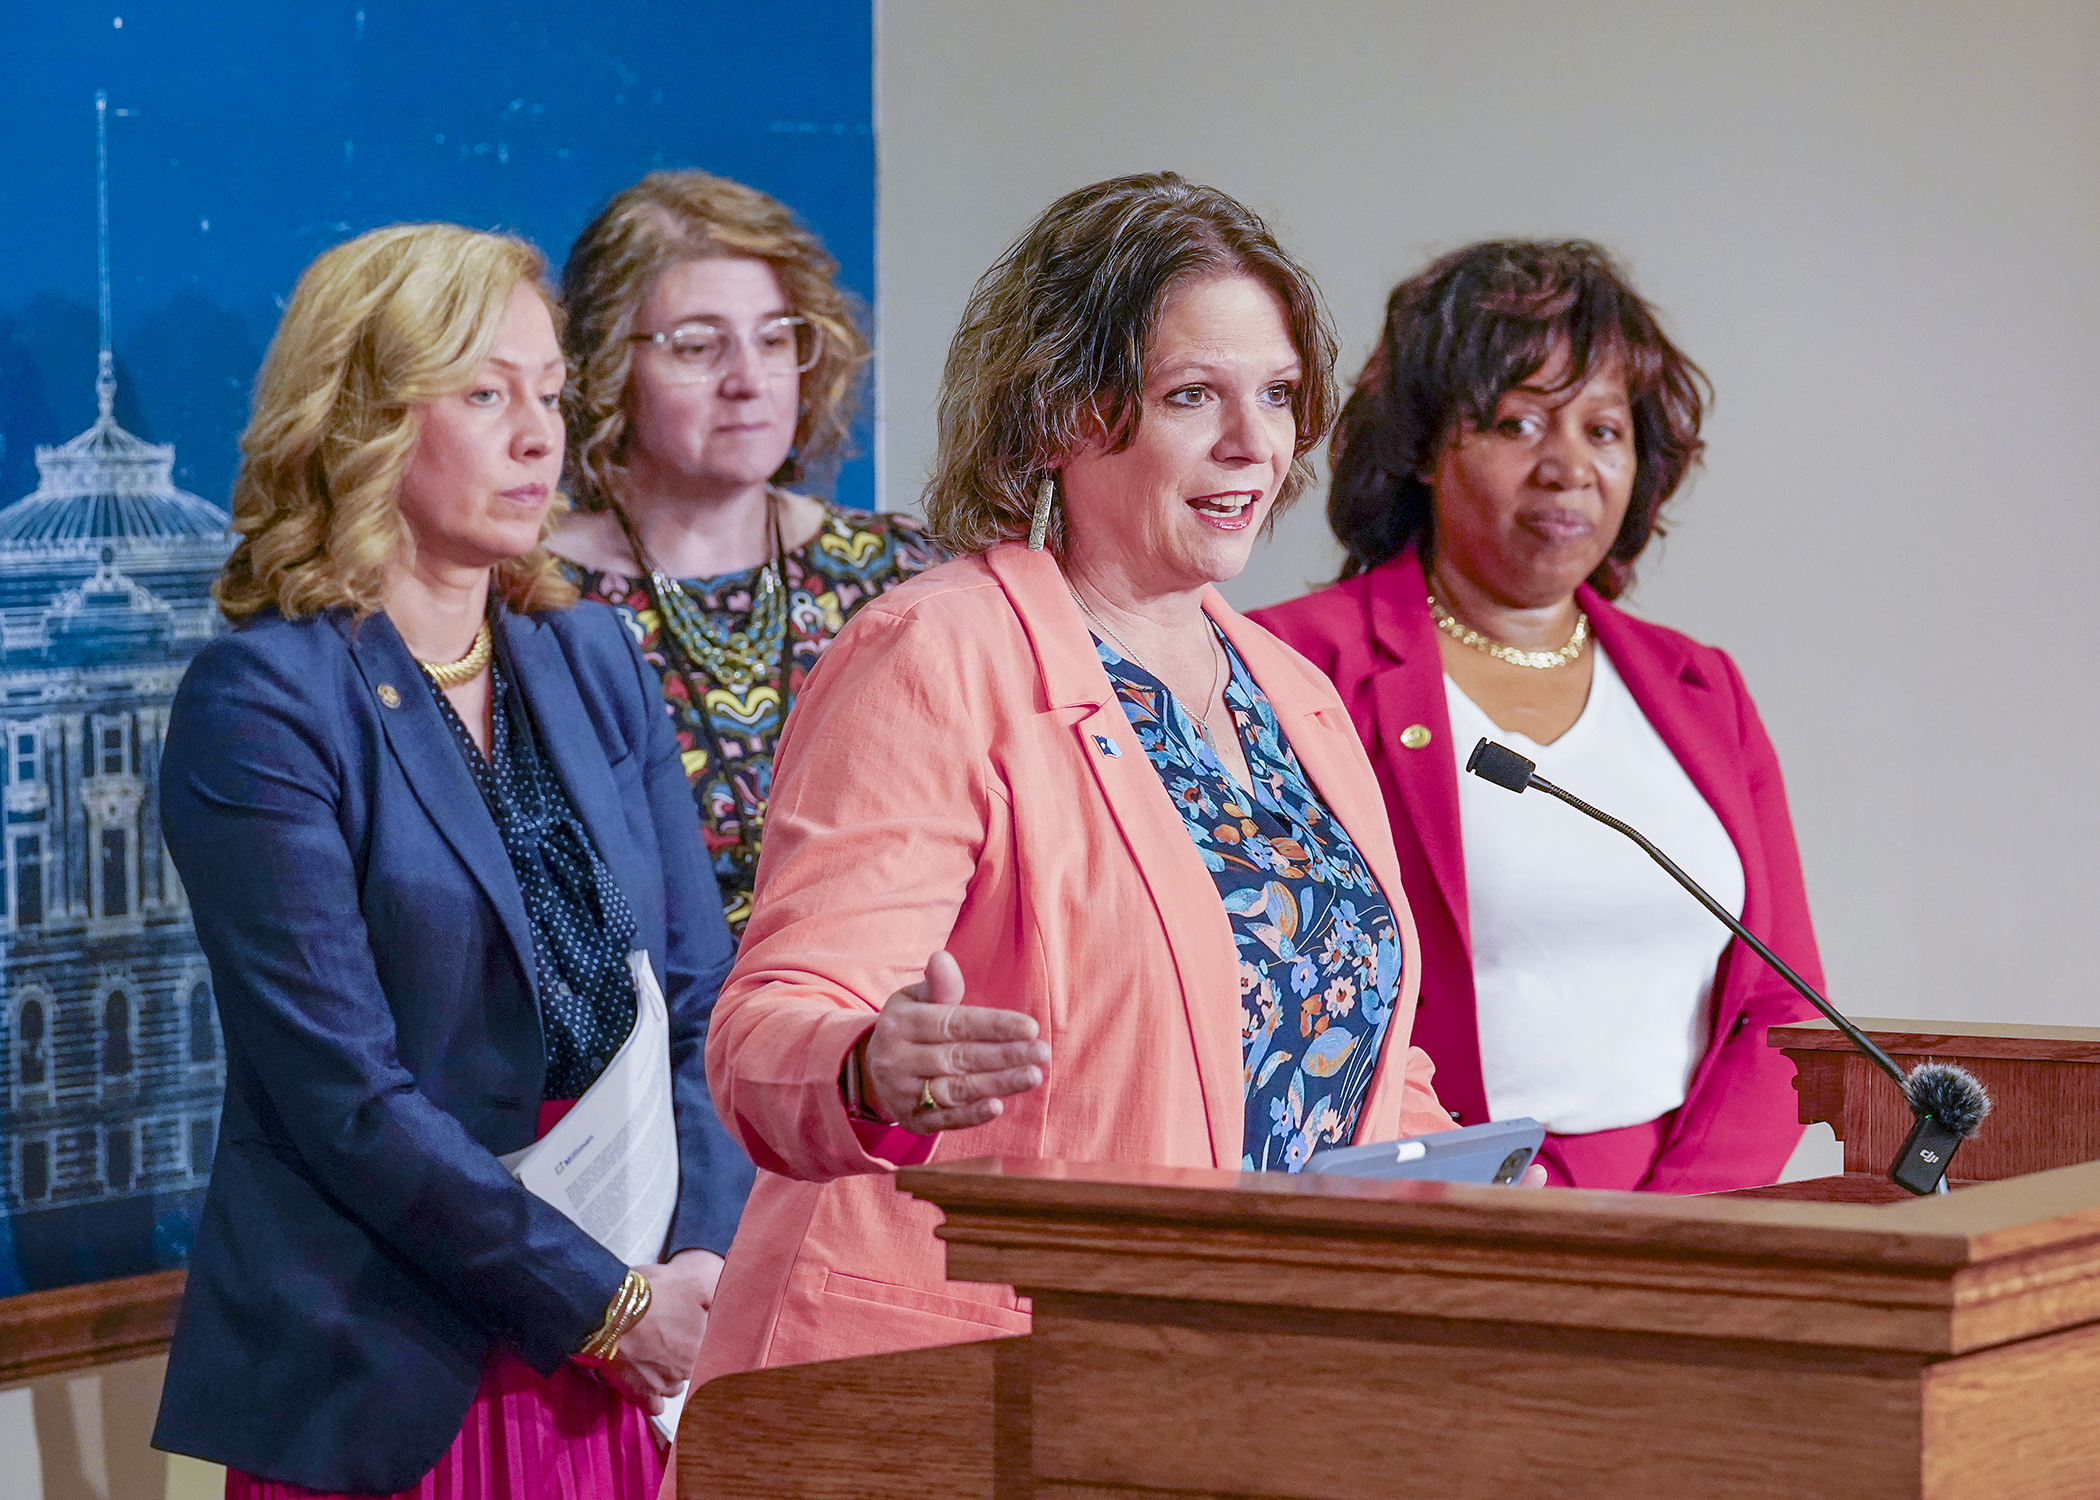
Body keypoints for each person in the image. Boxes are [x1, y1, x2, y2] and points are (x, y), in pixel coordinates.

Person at [695, 171, 1510, 1381]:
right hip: (972, 1381)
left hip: (1254, 1379)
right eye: (1193, 397)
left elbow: (1347, 1060)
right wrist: (868, 1066)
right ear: (1060, 415)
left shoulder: (1296, 697)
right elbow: (765, 1031)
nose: (1255, 444)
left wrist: (1492, 1203)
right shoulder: (936, 655)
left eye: (1278, 396)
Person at [149, 224, 753, 1497]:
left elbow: (702, 1002)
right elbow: (347, 1101)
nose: (542, 436)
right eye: (487, 395)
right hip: (402, 1355)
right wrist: (605, 1305)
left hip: (636, 1343)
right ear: (362, 417)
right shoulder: (262, 703)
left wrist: (695, 1270)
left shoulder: (593, 659)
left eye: (550, 393)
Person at [1250, 240, 1821, 1194]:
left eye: (1604, 430)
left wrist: (1678, 1227)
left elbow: (1783, 1004)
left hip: (1694, 1225)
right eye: (1519, 424)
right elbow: (1267, 993)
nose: (1568, 467)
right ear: (1426, 448)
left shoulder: (1701, 686)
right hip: (1425, 1216)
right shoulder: (1290, 668)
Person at [550, 171, 943, 937]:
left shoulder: (902, 574)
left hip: (871, 1015)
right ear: (606, 367)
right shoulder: (531, 595)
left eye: (774, 338)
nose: (749, 380)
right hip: (643, 1035)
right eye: (697, 346)